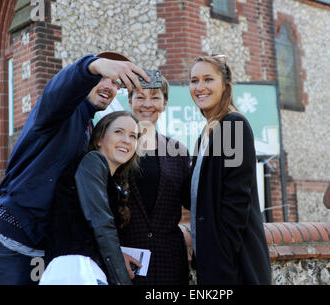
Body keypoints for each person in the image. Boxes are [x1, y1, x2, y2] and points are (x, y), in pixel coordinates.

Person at [0, 52, 150, 285]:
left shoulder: (88, 130)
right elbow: (59, 90)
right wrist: (93, 65)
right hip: (12, 246)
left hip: (49, 256)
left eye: (115, 83)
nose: (109, 86)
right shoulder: (59, 111)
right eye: (103, 78)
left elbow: (79, 216)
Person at [188, 54, 272, 284]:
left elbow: (237, 199)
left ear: (225, 85)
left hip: (236, 265)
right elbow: (199, 197)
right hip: (214, 262)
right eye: (194, 80)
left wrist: (221, 258)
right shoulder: (206, 135)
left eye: (208, 79)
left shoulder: (233, 125)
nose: (199, 87)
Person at [41, 111, 140, 285]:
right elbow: (101, 224)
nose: (127, 140)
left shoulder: (111, 181)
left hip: (87, 271)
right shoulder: (93, 161)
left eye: (133, 136)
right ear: (98, 139)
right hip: (75, 272)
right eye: (118, 132)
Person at [120, 76, 191, 285]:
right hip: (125, 261)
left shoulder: (178, 151)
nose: (147, 104)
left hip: (169, 262)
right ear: (130, 101)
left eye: (155, 97)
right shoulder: (115, 147)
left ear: (165, 103)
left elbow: (194, 202)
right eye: (140, 97)